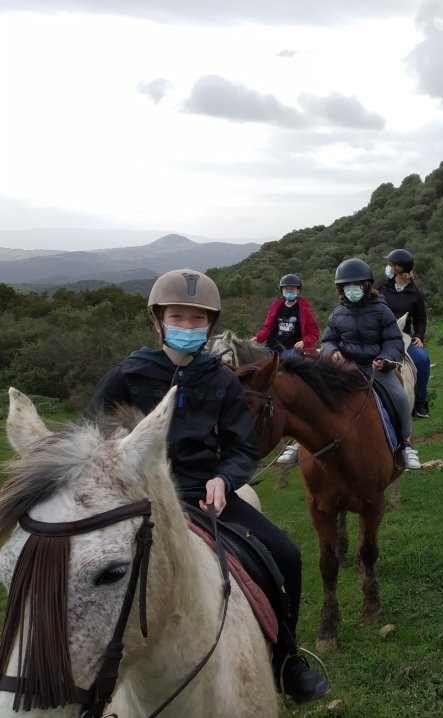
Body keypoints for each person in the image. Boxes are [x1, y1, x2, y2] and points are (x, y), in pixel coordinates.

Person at [86, 268, 330, 706]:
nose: (188, 327)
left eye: (198, 320)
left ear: (210, 325)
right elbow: (92, 439)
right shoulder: (127, 375)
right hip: (135, 500)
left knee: (287, 555)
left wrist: (224, 478)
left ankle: (288, 660)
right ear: (158, 321)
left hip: (203, 496)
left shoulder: (220, 380)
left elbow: (242, 448)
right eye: (178, 317)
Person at [319, 258, 421, 470]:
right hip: (346, 368)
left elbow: (394, 340)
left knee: (400, 397)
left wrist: (385, 359)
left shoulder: (381, 310)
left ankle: (407, 444)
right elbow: (328, 341)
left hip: (375, 367)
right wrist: (333, 352)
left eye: (355, 285)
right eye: (346, 285)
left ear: (365, 286)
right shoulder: (337, 314)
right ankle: (296, 444)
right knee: (316, 394)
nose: (351, 289)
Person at [252, 273, 321, 464]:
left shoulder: (304, 308)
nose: (289, 291)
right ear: (282, 290)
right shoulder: (276, 306)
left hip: (292, 349)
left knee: (293, 369)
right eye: (286, 288)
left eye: (292, 288)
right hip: (272, 348)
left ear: (298, 291)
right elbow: (267, 329)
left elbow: (314, 332)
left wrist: (304, 342)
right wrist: (257, 338)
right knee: (254, 367)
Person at [377, 248, 432, 419]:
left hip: (403, 334)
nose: (387, 267)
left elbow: (421, 319)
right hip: (379, 333)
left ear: (398, 268)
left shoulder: (415, 294)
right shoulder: (380, 287)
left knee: (423, 359)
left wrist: (419, 336)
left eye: (390, 264)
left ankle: (421, 400)